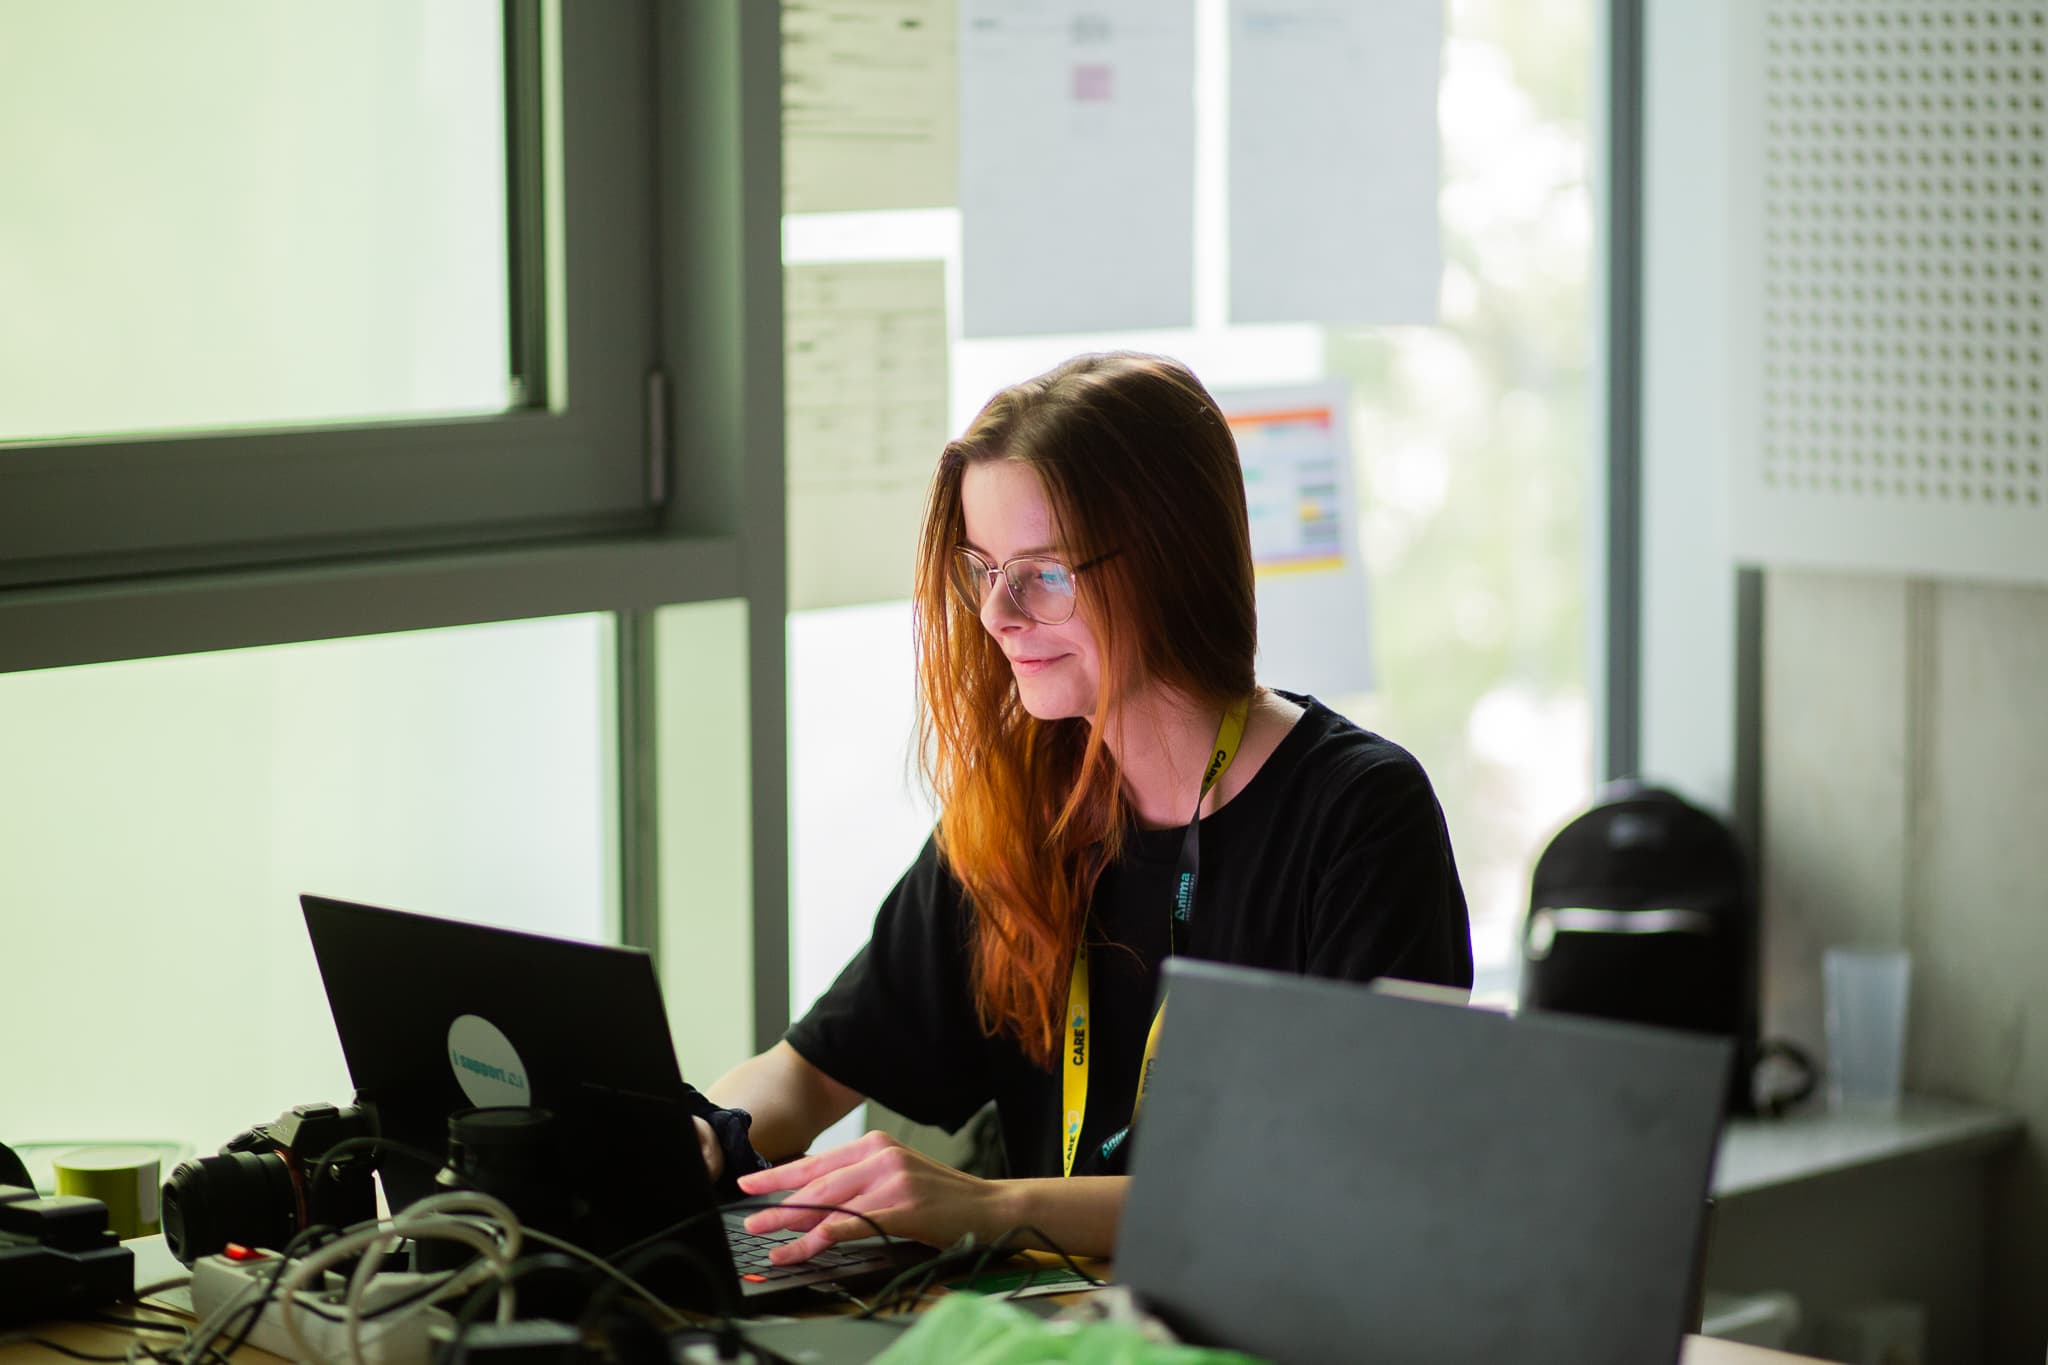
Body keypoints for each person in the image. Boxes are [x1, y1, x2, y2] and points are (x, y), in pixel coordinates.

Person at [692, 351, 1471, 1269]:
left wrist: (992, 1205)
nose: (996, 615)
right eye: (981, 569)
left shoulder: (1360, 814)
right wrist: (707, 1133)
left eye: (1043, 575)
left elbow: (1334, 1191)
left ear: (1171, 561)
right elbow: (814, 1065)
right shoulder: (1023, 799)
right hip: (1061, 1325)